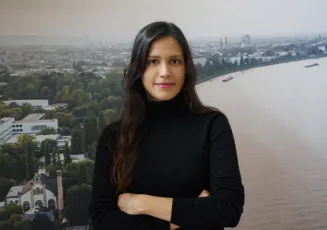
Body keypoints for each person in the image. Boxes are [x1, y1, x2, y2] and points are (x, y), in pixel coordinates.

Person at [88, 21, 245, 230]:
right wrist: (177, 220)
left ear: (186, 68)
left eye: (175, 61)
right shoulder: (114, 138)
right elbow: (102, 222)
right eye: (153, 61)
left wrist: (141, 203)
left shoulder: (212, 126)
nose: (164, 71)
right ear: (138, 69)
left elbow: (228, 209)